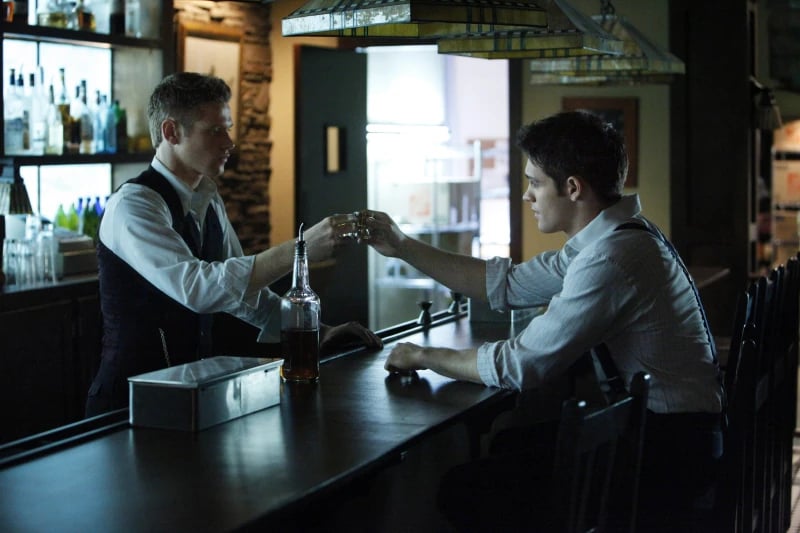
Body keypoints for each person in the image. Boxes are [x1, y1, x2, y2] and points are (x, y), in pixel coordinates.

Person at [361, 110, 724, 530]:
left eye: (534, 183)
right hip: (673, 434)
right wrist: (403, 245)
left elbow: (522, 365)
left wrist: (424, 355)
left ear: (572, 188)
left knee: (466, 489)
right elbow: (509, 286)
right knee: (510, 445)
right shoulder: (617, 236)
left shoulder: (611, 257)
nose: (526, 196)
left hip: (671, 452)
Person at [85, 72, 381, 417]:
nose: (229, 142)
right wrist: (300, 249)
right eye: (215, 131)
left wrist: (318, 332)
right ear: (171, 132)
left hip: (189, 393)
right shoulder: (133, 206)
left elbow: (246, 298)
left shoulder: (208, 201)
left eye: (228, 129)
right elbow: (198, 289)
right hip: (127, 403)